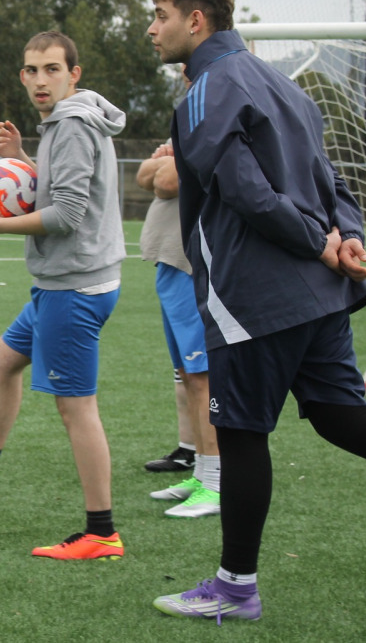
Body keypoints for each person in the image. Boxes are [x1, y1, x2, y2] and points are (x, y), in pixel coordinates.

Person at [146, 0, 366, 621]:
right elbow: (337, 185)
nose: (151, 28)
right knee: (339, 415)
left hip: (255, 297)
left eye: (159, 14)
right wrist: (344, 239)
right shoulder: (286, 88)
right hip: (319, 295)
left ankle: (235, 587)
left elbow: (243, 190)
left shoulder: (203, 89)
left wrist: (318, 241)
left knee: (238, 431)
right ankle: (234, 583)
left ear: (197, 20)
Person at [0, 31, 128, 560]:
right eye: (32, 70)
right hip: (67, 282)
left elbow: (67, 214)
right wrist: (22, 158)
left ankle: (101, 532)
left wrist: (0, 223)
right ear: (23, 75)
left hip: (75, 287)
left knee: (76, 408)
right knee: (3, 357)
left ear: (73, 74)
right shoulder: (66, 123)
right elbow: (64, 186)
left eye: (52, 69)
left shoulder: (72, 125)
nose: (41, 80)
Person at [136, 138, 220, 518]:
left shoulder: (207, 136)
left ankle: (217, 484)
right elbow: (144, 177)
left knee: (201, 378)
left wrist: (171, 159)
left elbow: (166, 183)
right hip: (171, 267)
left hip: (193, 270)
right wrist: (165, 162)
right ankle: (201, 473)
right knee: (188, 374)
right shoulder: (188, 138)